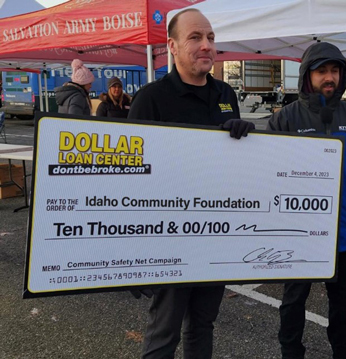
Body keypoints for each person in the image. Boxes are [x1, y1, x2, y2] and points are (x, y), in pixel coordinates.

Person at [127, 9, 254, 359]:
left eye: (211, 38)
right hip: (169, 237)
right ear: (172, 46)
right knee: (164, 330)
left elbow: (234, 167)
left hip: (214, 235)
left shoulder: (225, 92)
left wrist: (247, 143)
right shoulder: (151, 99)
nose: (206, 46)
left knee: (202, 325)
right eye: (195, 38)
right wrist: (133, 254)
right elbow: (129, 179)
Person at [268, 42, 346, 359]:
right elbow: (266, 171)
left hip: (345, 231)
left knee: (341, 299)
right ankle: (291, 352)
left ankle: (343, 352)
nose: (329, 77)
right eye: (322, 71)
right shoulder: (286, 119)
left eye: (335, 70)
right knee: (294, 299)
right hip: (298, 232)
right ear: (308, 75)